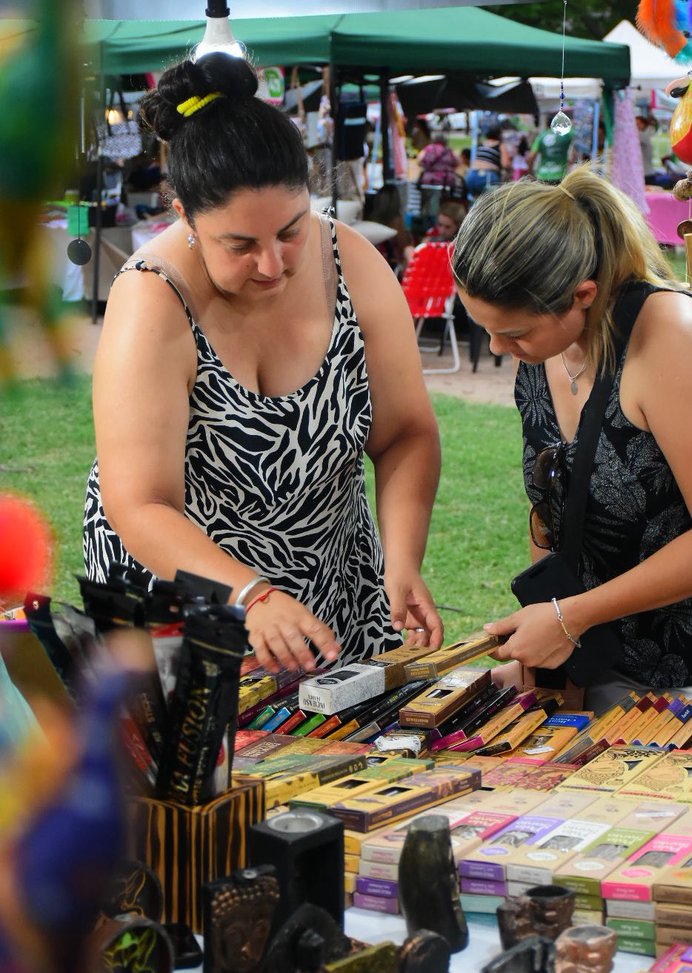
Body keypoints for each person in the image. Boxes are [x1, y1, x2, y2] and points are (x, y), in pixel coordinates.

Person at [83, 53, 443, 675]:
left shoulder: (353, 263)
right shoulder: (151, 298)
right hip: (184, 595)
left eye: (291, 230)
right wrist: (249, 595)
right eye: (240, 245)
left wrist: (401, 559)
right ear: (185, 217)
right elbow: (141, 503)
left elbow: (406, 432)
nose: (273, 264)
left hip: (333, 584)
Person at [450, 167, 692, 713]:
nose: (497, 349)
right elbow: (553, 508)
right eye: (483, 329)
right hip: (620, 658)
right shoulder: (545, 348)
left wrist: (571, 618)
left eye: (513, 333)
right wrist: (551, 643)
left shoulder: (671, 338)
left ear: (582, 294)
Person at [465, 122, 507, 199]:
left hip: (471, 177)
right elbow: (506, 164)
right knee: (491, 205)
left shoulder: (481, 145)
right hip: (488, 178)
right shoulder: (500, 145)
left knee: (476, 204)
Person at [530, 117, 573, 184]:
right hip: (560, 175)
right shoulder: (566, 135)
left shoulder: (541, 136)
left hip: (543, 175)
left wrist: (530, 173)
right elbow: (576, 150)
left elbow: (531, 157)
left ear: (547, 124)